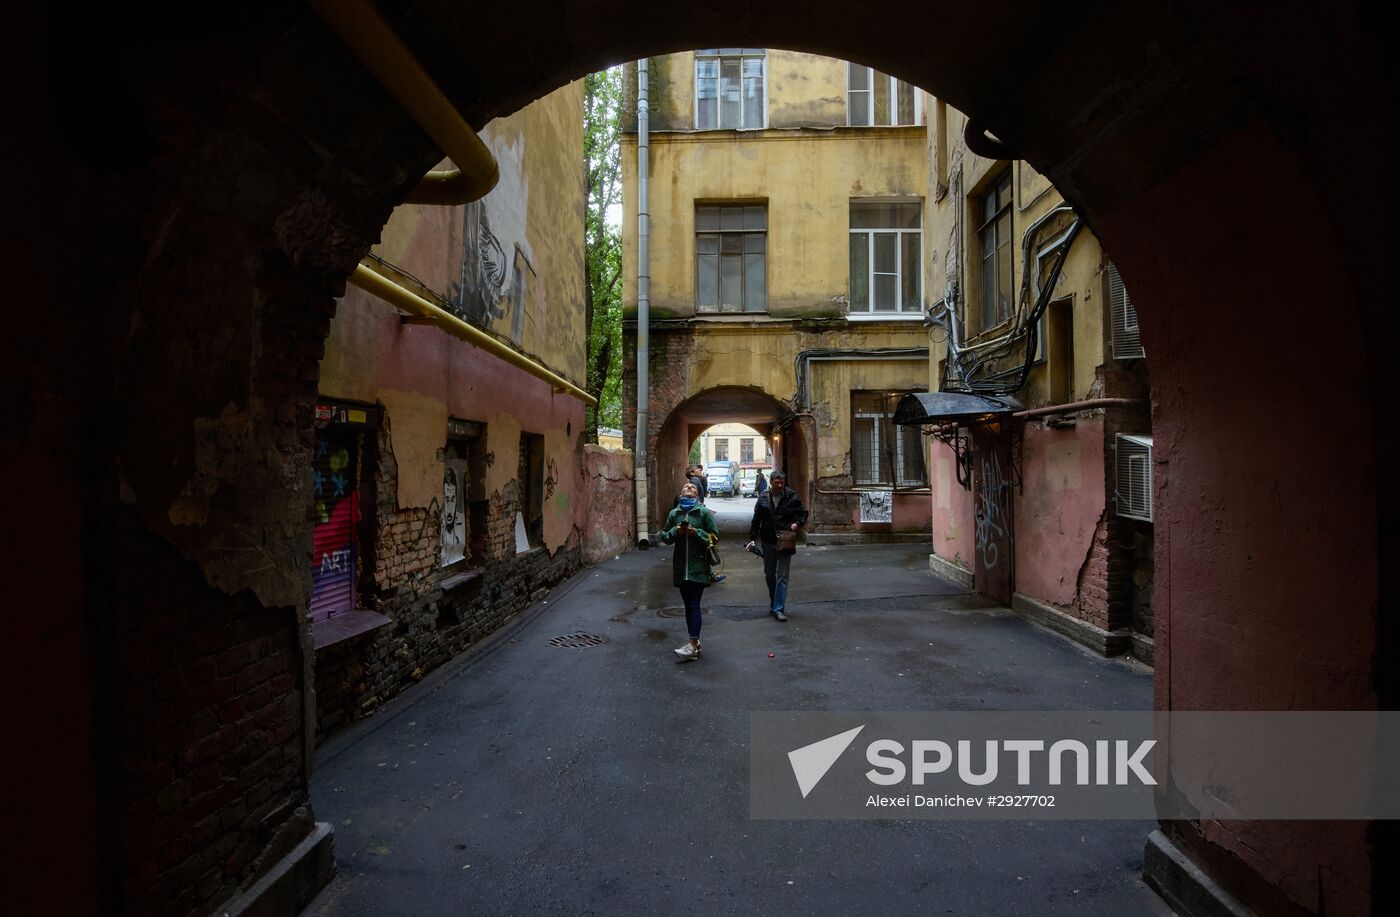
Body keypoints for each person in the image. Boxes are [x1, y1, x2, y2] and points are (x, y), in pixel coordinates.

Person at [660, 481, 718, 660]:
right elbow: (665, 537)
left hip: (698, 566)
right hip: (680, 568)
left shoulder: (703, 513)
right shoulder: (674, 514)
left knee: (693, 605)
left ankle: (693, 645)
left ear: (698, 495)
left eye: (693, 487)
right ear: (681, 492)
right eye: (686, 487)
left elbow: (714, 537)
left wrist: (697, 533)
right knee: (688, 606)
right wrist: (675, 531)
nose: (689, 488)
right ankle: (695, 643)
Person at [746, 469, 808, 622]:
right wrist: (752, 538)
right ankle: (774, 602)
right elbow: (756, 519)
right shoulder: (763, 498)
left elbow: (803, 513)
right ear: (771, 482)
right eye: (777, 482)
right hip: (768, 540)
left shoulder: (791, 496)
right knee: (769, 574)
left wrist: (796, 524)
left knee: (783, 575)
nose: (780, 485)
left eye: (782, 482)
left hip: (786, 539)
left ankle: (779, 608)